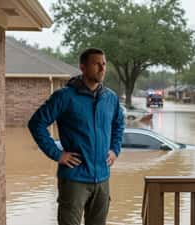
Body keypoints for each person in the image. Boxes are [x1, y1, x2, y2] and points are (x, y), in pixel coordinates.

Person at [28, 48, 124, 225]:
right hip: (74, 179)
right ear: (83, 67)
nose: (102, 68)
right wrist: (57, 154)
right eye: (96, 64)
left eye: (104, 64)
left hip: (102, 178)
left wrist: (114, 149)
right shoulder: (64, 96)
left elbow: (119, 124)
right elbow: (36, 124)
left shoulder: (110, 98)